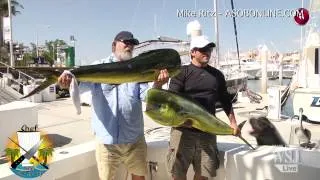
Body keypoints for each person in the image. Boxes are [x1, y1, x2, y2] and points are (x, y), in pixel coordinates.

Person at [58, 31, 169, 180]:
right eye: (126, 42)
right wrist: (66, 81)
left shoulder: (138, 68)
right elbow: (77, 82)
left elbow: (146, 96)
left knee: (139, 177)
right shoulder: (99, 66)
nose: (129, 46)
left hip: (134, 139)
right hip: (107, 141)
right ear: (114, 45)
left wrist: (157, 84)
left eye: (132, 44)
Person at [165, 35, 240, 180]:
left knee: (203, 175)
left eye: (209, 48)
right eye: (203, 49)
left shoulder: (217, 75)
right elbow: (172, 99)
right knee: (177, 175)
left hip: (208, 131)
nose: (207, 51)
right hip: (183, 131)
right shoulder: (181, 72)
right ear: (192, 52)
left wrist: (233, 123)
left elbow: (226, 101)